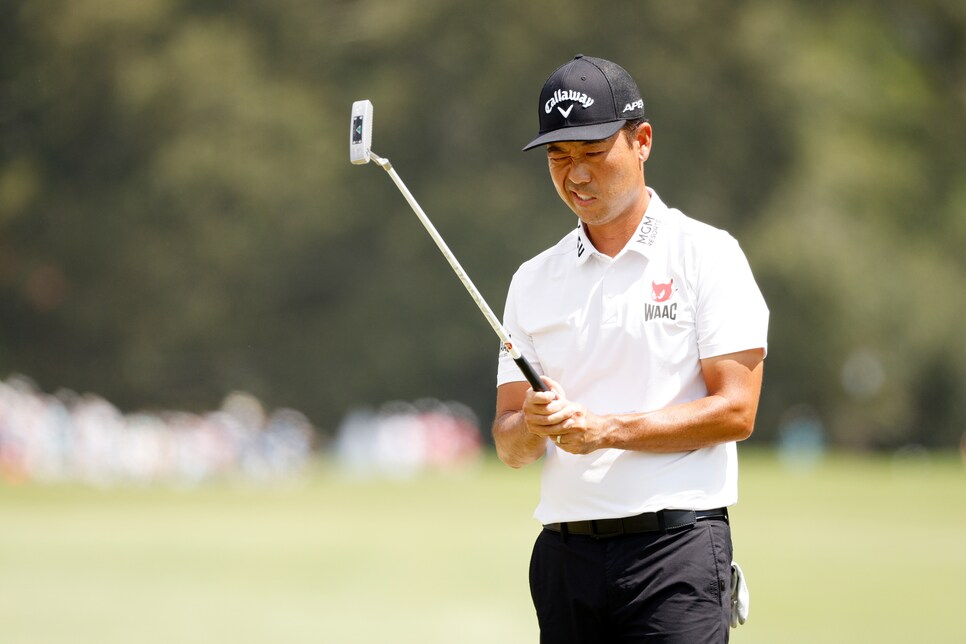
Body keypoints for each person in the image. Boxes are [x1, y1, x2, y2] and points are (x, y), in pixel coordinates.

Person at [493, 55, 768, 643]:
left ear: (641, 141)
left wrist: (605, 430)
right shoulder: (531, 280)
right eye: (558, 157)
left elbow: (736, 411)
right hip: (564, 560)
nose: (576, 175)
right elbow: (509, 444)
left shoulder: (707, 255)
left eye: (592, 152)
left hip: (677, 553)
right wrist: (533, 425)